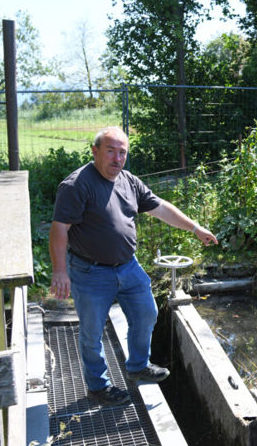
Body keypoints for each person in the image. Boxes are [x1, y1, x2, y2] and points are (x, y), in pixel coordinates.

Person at [49, 126, 218, 406]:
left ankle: (138, 365)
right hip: (90, 271)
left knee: (146, 314)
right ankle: (98, 386)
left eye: (122, 153)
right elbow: (59, 229)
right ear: (95, 151)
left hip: (128, 267)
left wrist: (195, 228)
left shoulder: (128, 181)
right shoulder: (76, 185)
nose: (117, 159)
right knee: (92, 333)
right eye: (110, 151)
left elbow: (160, 208)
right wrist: (59, 271)